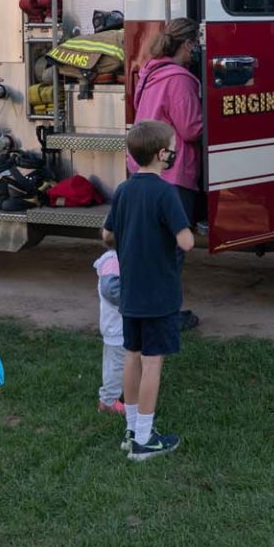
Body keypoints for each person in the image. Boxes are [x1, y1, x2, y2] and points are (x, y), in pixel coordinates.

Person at [104, 119, 195, 461]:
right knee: (152, 363)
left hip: (130, 292)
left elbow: (107, 235)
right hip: (159, 294)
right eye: (172, 149)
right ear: (161, 154)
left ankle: (130, 430)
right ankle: (144, 439)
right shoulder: (166, 193)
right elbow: (186, 242)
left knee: (132, 356)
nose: (174, 153)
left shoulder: (124, 190)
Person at [129, 18, 204, 226]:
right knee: (174, 237)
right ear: (187, 44)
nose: (198, 49)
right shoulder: (180, 79)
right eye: (197, 42)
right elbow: (191, 129)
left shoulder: (150, 73)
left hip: (144, 167)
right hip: (172, 172)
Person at [94, 243, 125, 415]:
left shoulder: (119, 257)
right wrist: (137, 298)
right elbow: (112, 291)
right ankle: (108, 400)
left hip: (122, 325)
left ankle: (126, 390)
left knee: (122, 362)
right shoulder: (113, 260)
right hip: (117, 327)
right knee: (116, 365)